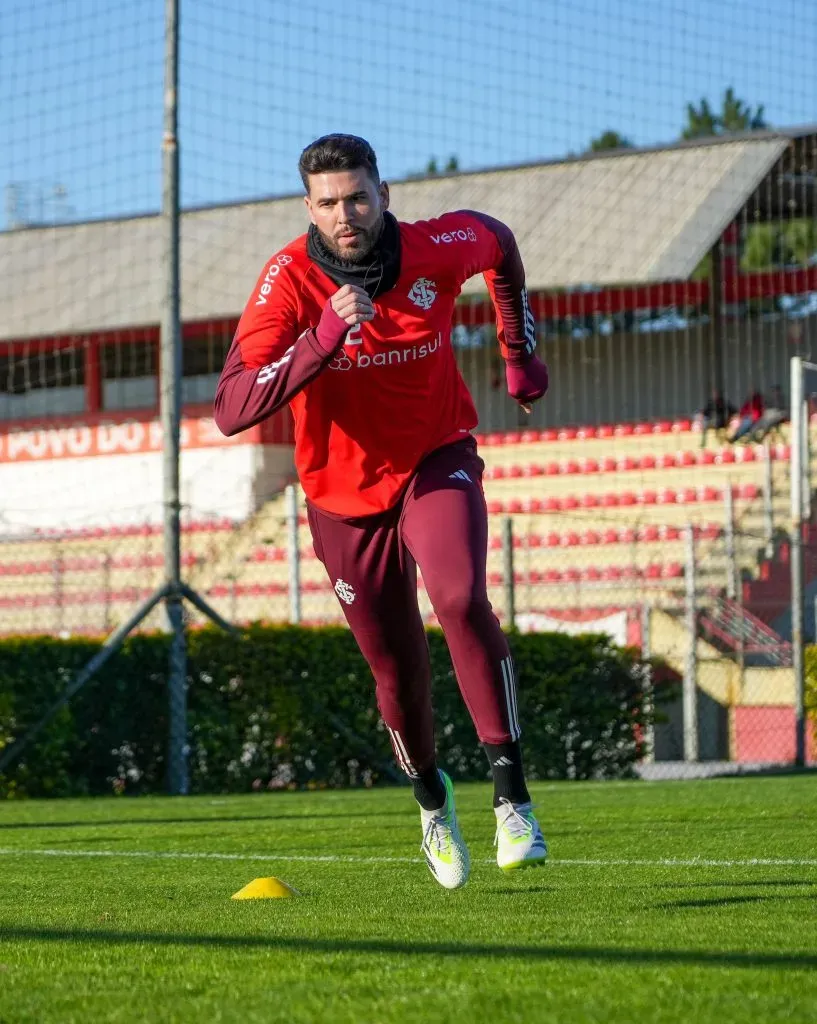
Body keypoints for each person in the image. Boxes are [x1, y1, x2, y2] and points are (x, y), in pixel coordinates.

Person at [214, 134, 549, 889]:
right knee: (396, 669)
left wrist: (516, 349)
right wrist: (324, 335)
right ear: (308, 207)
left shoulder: (438, 246)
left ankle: (512, 797)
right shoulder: (286, 281)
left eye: (357, 197)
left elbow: (499, 245)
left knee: (460, 599)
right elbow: (231, 407)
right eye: (328, 203)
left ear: (384, 193)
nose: (345, 214)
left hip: (436, 456)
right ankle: (432, 802)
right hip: (340, 495)